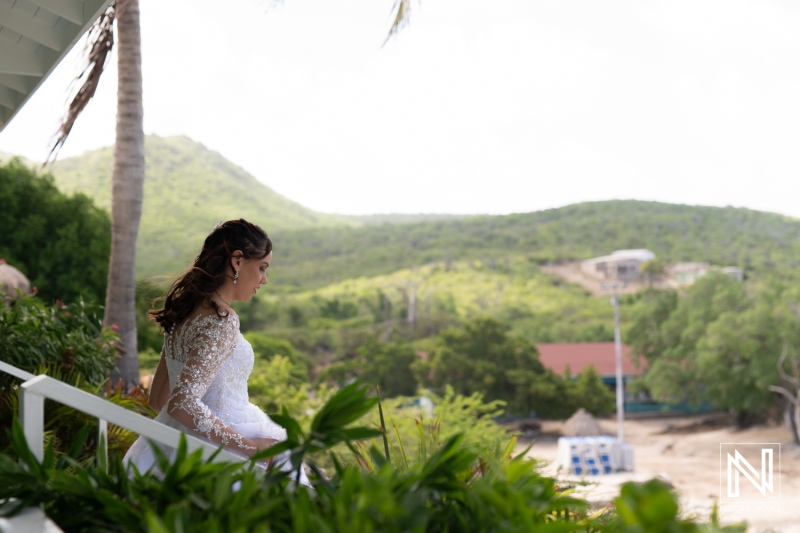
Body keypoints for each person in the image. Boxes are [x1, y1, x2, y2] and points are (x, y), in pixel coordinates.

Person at [123, 219, 309, 485]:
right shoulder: (221, 321)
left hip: (173, 441)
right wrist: (250, 447)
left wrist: (186, 434)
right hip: (224, 447)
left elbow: (158, 400)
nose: (264, 280)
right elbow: (182, 403)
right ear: (237, 261)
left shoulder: (182, 313)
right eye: (262, 268)